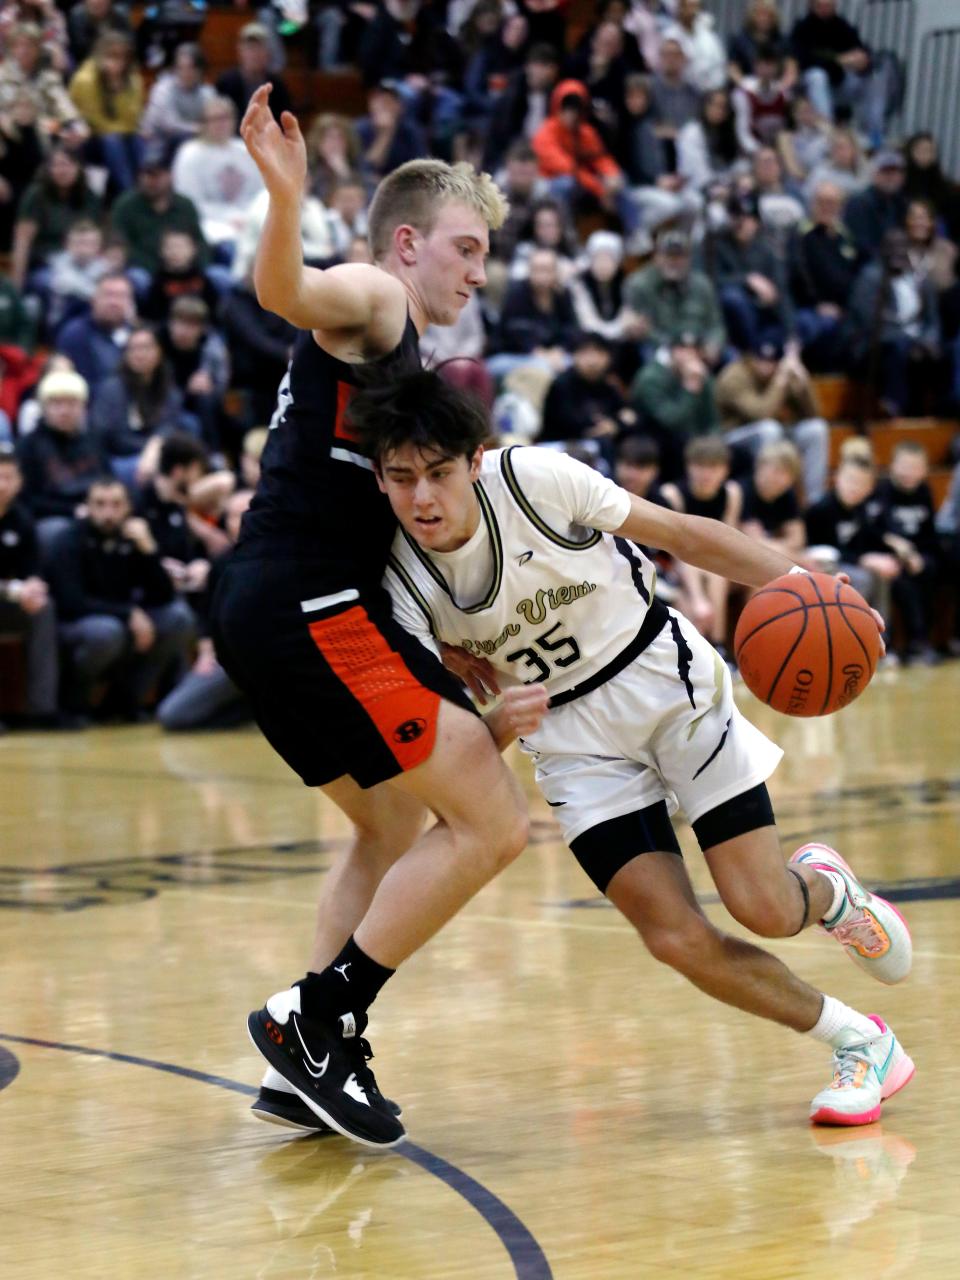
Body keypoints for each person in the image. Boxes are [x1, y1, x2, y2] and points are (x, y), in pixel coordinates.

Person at [352, 367, 914, 1129]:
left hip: (662, 680)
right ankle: (861, 1042)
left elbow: (683, 535)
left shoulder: (536, 481)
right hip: (572, 744)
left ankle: (825, 893)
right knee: (674, 937)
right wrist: (499, 725)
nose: (422, 497)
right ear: (380, 479)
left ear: (475, 461)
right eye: (401, 477)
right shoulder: (402, 585)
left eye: (439, 473)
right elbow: (457, 748)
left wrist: (823, 590)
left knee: (763, 908)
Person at [211, 87, 528, 1149]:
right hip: (308, 601)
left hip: (274, 601)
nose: (478, 272)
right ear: (408, 242)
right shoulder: (379, 303)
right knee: (491, 817)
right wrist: (286, 195)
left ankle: (310, 1060)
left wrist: (448, 648)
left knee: (392, 824)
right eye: (466, 247)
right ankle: (318, 1018)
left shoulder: (402, 361)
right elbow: (285, 287)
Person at [48, 474, 195, 717]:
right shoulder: (69, 539)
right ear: (87, 507)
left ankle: (124, 700)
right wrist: (129, 614)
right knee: (107, 631)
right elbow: (71, 602)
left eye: (116, 504)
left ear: (128, 507)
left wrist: (149, 550)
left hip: (124, 621)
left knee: (178, 619)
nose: (108, 513)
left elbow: (163, 595)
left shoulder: (134, 537)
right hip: (77, 624)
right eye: (100, 504)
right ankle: (74, 701)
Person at [714, 339, 828, 502]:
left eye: (772, 362)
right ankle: (763, 495)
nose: (766, 366)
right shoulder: (734, 376)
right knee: (769, 429)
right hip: (733, 437)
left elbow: (814, 413)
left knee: (816, 429)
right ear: (751, 358)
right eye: (761, 360)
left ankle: (814, 501)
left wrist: (803, 381)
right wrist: (780, 382)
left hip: (776, 433)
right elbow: (760, 413)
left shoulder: (782, 372)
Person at [0, 443, 59, 724]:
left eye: (8, 477)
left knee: (43, 608)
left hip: (11, 603)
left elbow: (32, 568)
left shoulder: (22, 519)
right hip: (8, 595)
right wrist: (14, 589)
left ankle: (42, 710)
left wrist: (34, 586)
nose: (1, 484)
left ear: (20, 482)